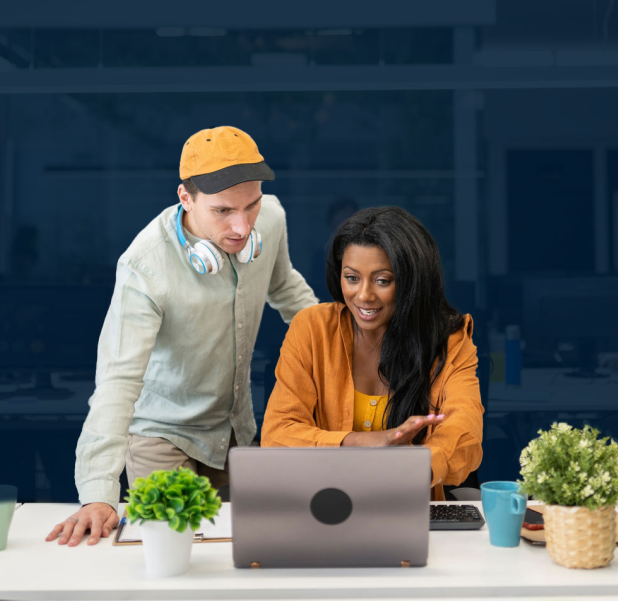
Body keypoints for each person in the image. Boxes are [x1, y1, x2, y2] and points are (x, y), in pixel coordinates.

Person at [46, 126, 318, 546]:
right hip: (162, 438)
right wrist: (98, 493)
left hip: (236, 431)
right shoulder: (145, 266)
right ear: (186, 198)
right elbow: (118, 382)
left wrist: (343, 345)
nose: (243, 227)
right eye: (223, 211)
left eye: (251, 205)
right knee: (174, 561)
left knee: (248, 554)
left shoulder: (272, 219)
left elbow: (285, 289)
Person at [261, 207, 483, 500]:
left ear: (412, 281)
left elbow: (464, 429)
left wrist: (411, 466)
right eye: (352, 278)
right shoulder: (311, 328)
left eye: (383, 280)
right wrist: (363, 443)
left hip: (410, 508)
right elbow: (277, 435)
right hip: (321, 507)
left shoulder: (450, 340)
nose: (364, 295)